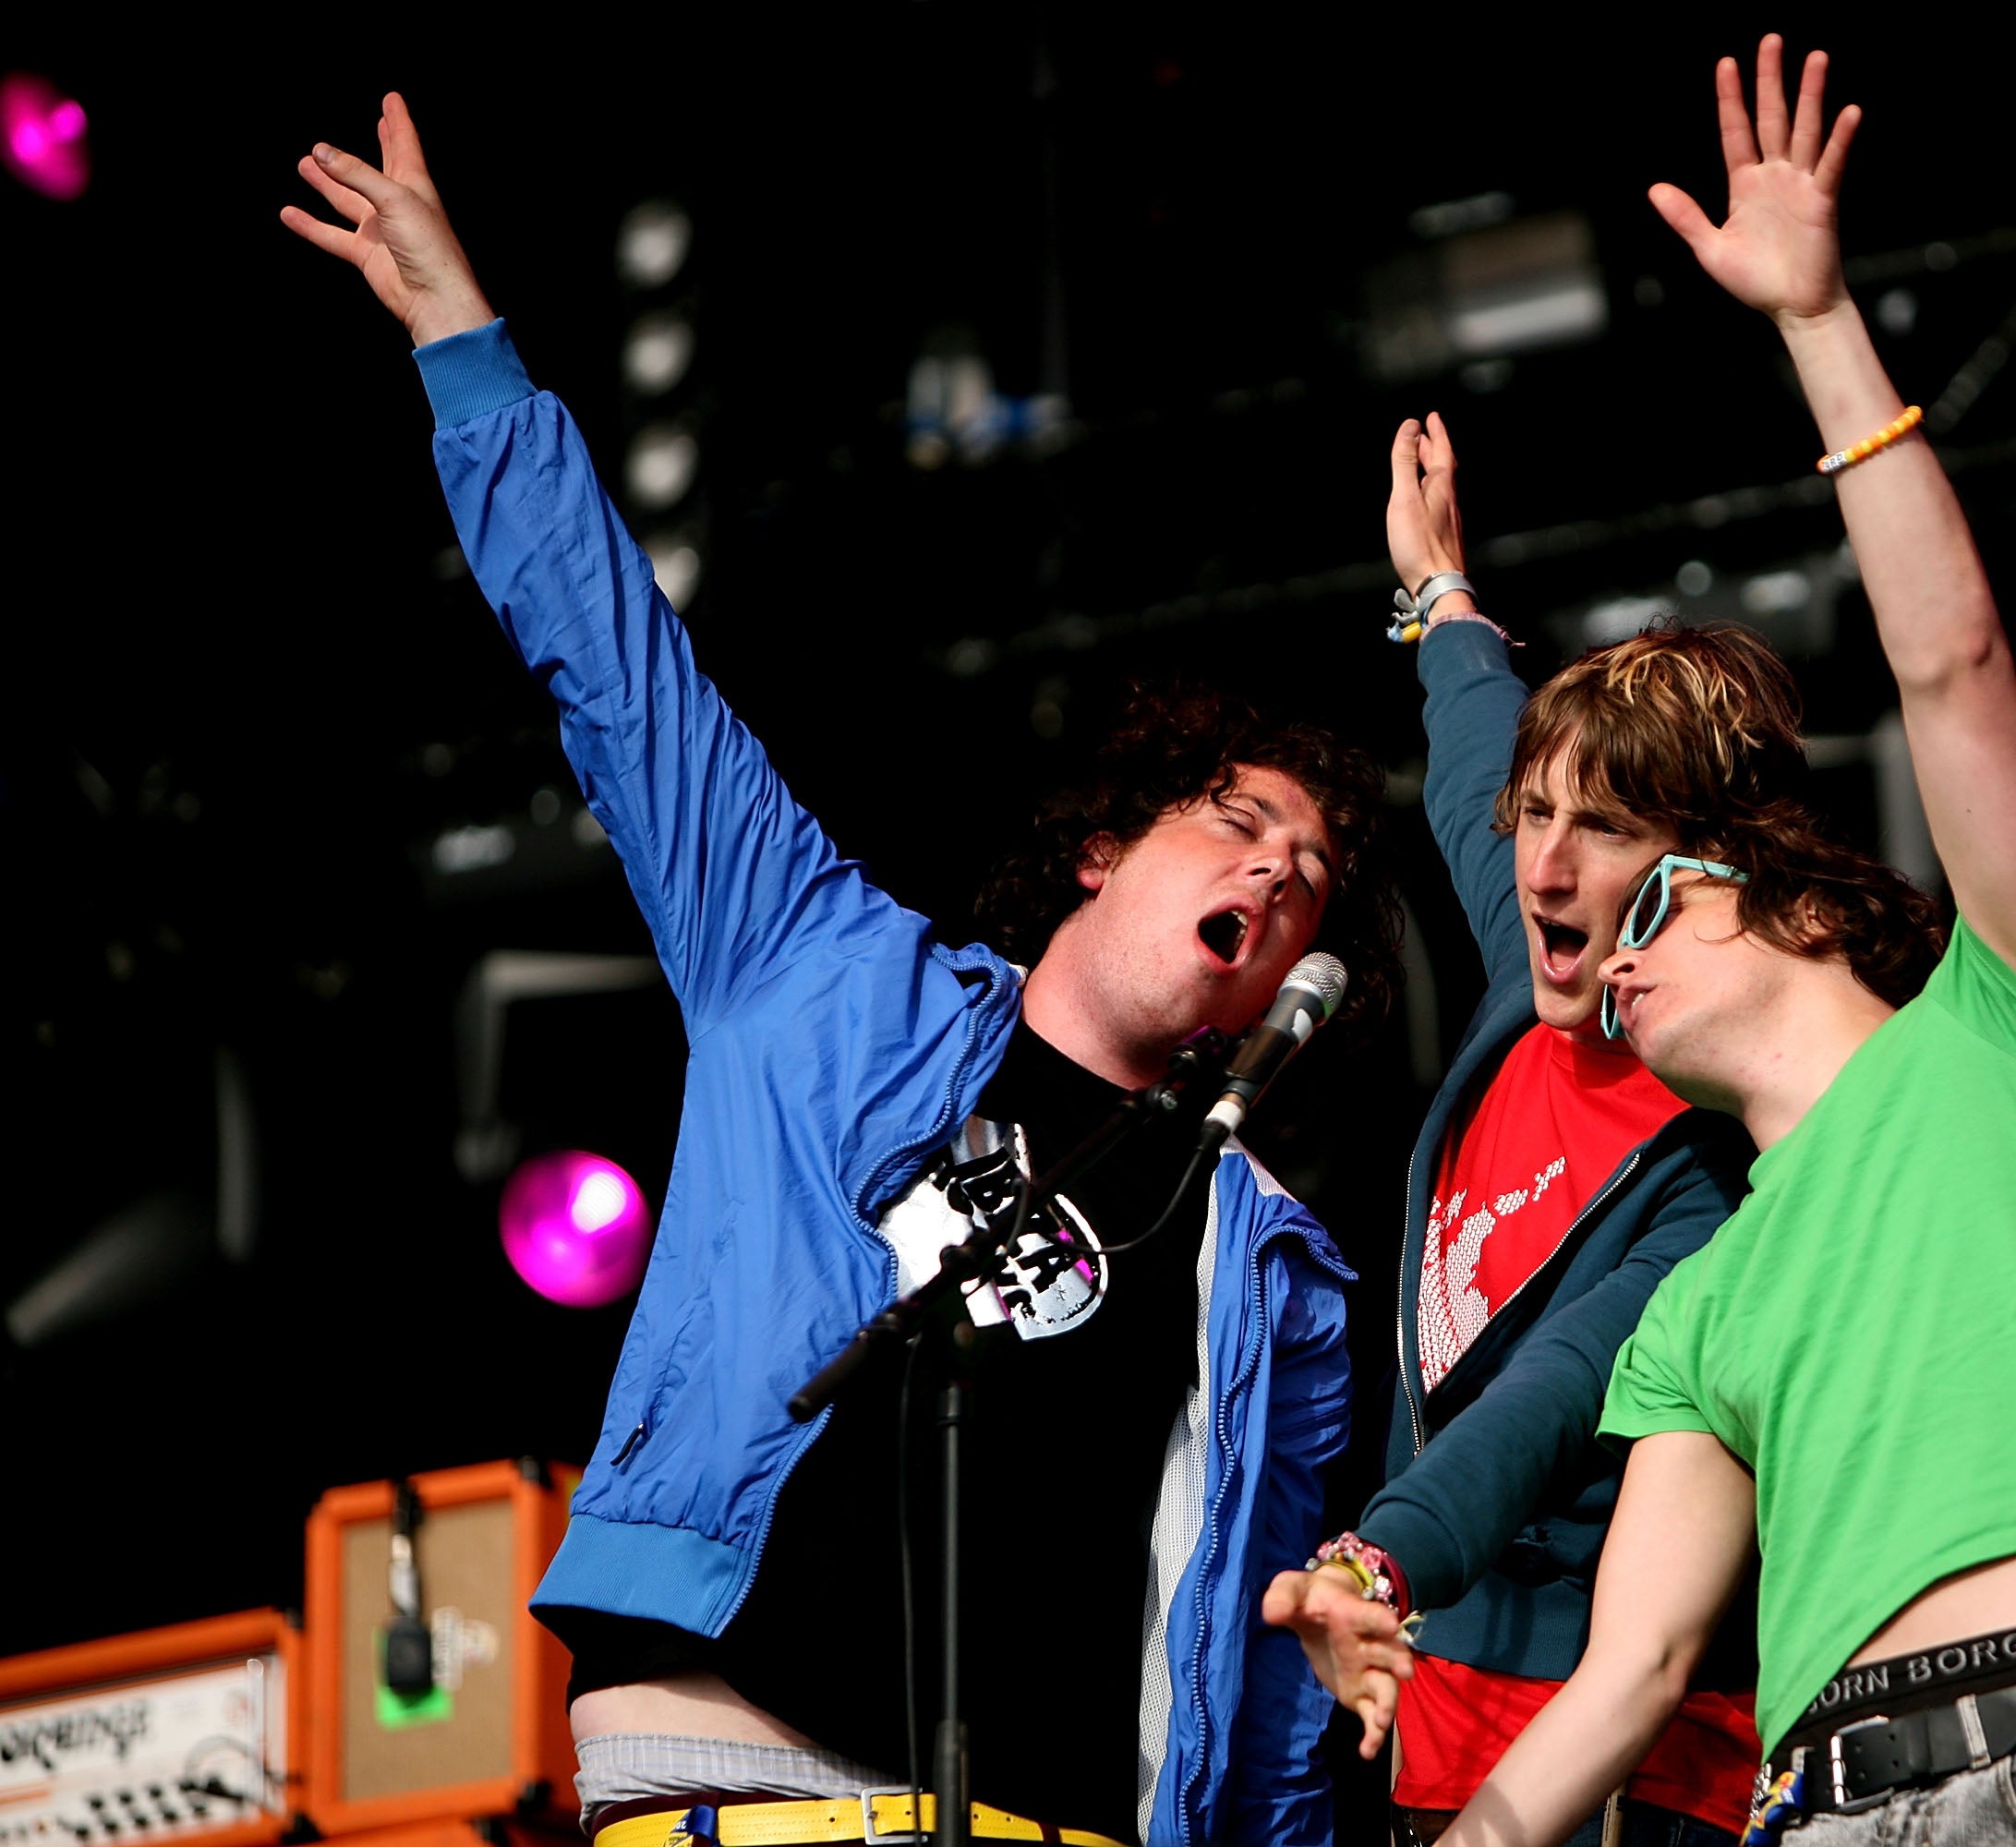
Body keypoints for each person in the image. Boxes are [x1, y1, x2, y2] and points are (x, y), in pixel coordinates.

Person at [282, 96, 1402, 1847]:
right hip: (738, 1775)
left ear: (1280, 989)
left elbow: (1260, 1678)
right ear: (1107, 848)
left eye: (1312, 876)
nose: (1275, 868)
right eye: (1235, 819)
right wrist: (462, 346)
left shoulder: (1268, 1269)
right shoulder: (817, 972)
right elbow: (622, 674)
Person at [1428, 38, 2016, 1847]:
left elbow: (1952, 666)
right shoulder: (1691, 1306)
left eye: (1648, 900)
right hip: (1826, 1809)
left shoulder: (2014, 1025)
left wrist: (1814, 321)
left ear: (1789, 892)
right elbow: (1625, 1682)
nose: (1609, 960)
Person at [1256, 431, 1796, 1840]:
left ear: (1699, 867)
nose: (1542, 865)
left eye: (1600, 829)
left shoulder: (1716, 1169)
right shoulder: (1533, 977)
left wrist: (1378, 1560)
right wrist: (1439, 595)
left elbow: (1547, 1399)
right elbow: (1473, 756)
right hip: (1436, 1705)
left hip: (1628, 1760)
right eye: (1535, 818)